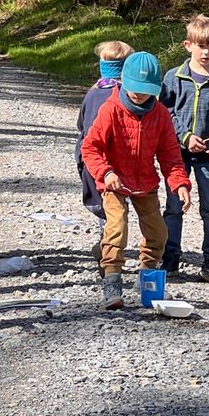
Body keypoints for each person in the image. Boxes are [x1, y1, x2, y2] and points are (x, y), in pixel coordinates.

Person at [81, 52, 192, 310]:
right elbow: (90, 147)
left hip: (145, 183)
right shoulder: (111, 109)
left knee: (158, 233)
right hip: (114, 182)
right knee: (117, 228)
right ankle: (112, 282)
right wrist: (106, 173)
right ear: (124, 81)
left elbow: (170, 156)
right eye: (134, 88)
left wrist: (180, 184)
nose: (139, 95)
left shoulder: (160, 114)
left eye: (145, 90)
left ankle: (146, 279)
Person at [159, 15, 209, 282]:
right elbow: (165, 113)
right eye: (201, 46)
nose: (206, 52)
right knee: (173, 206)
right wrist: (185, 136)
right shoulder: (173, 78)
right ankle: (170, 255)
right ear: (188, 45)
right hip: (177, 154)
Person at [76, 40, 135, 267]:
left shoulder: (92, 94)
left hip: (90, 160)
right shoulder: (125, 96)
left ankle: (106, 244)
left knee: (105, 206)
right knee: (115, 206)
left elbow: (81, 125)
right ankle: (108, 251)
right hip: (113, 162)